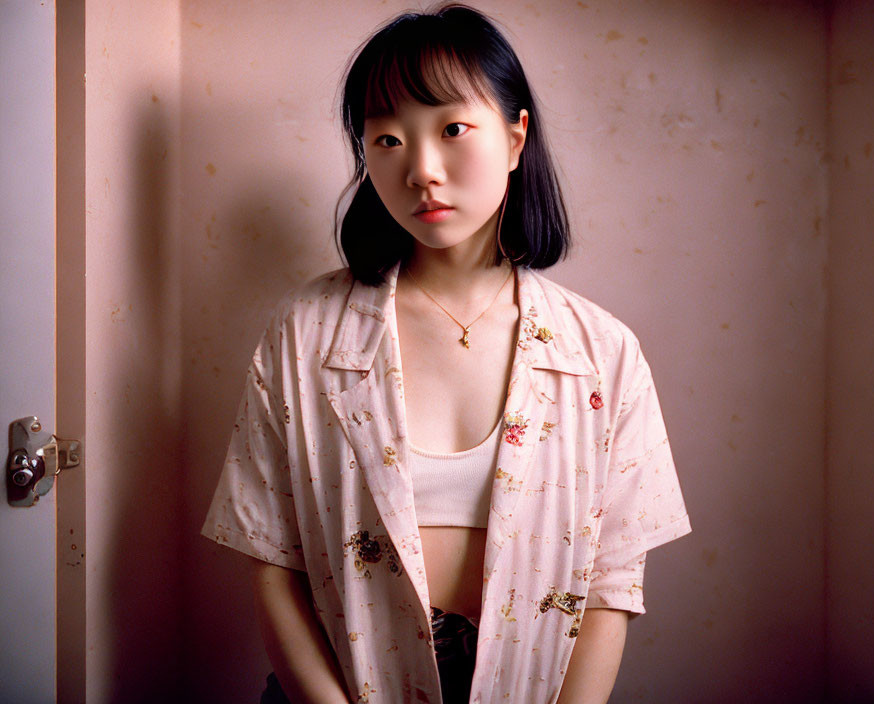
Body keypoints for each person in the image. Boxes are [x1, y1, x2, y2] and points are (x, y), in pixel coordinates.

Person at [201, 3, 691, 703]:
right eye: (388, 139)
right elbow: (275, 568)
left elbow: (611, 589)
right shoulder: (304, 335)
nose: (421, 169)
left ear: (517, 137)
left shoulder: (603, 353)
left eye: (452, 128)